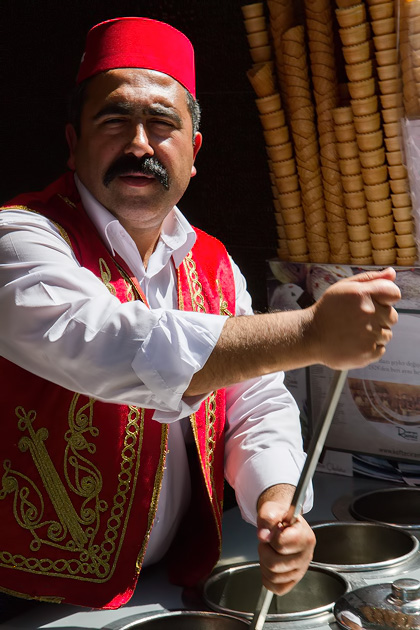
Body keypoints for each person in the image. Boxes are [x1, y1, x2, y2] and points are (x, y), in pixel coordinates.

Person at [0, 16, 400, 611]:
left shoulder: (211, 261)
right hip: (26, 596)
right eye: (114, 120)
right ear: (73, 141)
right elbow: (109, 344)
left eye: (162, 124)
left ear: (194, 152)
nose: (139, 143)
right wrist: (311, 331)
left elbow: (256, 399)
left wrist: (273, 500)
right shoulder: (21, 237)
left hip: (164, 586)